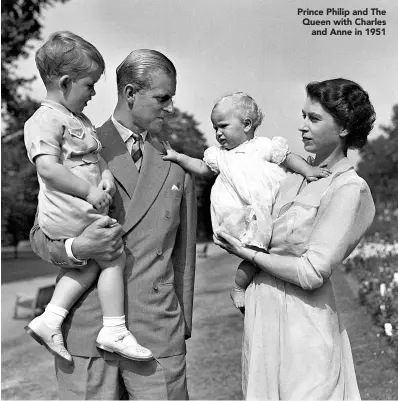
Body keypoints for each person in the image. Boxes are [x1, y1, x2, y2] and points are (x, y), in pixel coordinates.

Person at [29, 48, 197, 400]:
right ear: (131, 93)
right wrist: (78, 248)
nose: (169, 108)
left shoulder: (177, 166)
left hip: (157, 335)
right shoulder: (72, 146)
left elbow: (184, 258)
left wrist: (180, 326)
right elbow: (41, 236)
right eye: (162, 98)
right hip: (86, 333)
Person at [214, 78, 376, 399]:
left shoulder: (347, 187)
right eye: (303, 116)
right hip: (262, 319)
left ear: (344, 128)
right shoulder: (289, 179)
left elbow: (312, 272)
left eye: (314, 119)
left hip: (306, 325)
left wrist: (248, 254)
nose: (302, 127)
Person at [24, 31, 153, 365]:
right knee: (112, 254)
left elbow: (96, 158)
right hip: (66, 211)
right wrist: (90, 191)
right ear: (66, 82)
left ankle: (50, 318)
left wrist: (106, 175)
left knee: (95, 262)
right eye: (90, 85)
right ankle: (114, 329)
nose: (93, 93)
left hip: (80, 210)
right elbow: (49, 169)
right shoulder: (43, 120)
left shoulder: (79, 120)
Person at [163, 92, 330, 310]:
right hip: (238, 215)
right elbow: (202, 168)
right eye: (215, 128)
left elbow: (288, 158)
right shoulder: (219, 155)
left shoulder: (263, 146)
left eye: (223, 126)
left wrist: (308, 170)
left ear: (247, 124)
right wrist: (179, 157)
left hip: (265, 210)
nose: (218, 133)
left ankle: (253, 288)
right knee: (256, 254)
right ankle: (239, 288)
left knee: (268, 253)